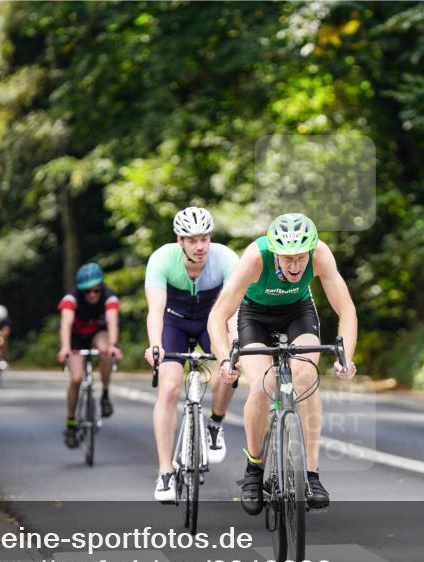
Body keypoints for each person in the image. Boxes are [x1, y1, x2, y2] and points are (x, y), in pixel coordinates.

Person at [208, 213, 357, 515]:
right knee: (264, 386)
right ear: (274, 252)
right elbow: (218, 316)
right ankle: (253, 470)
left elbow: (347, 311)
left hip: (298, 313)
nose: (294, 266)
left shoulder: (320, 255)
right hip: (255, 317)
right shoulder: (255, 257)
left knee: (306, 379)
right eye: (287, 258)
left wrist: (346, 356)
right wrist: (225, 358)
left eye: (301, 258)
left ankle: (312, 475)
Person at [145, 207, 240, 502]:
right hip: (173, 321)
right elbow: (156, 310)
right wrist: (154, 345)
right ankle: (164, 473)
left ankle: (215, 423)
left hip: (212, 320)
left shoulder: (225, 258)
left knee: (229, 368)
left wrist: (235, 341)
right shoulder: (162, 259)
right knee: (170, 386)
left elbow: (235, 308)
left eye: (205, 238)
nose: (200, 246)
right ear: (180, 241)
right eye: (192, 240)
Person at [57, 262, 123, 448]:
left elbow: (112, 323)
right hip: (76, 337)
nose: (92, 295)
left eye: (96, 290)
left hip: (97, 334)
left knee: (105, 349)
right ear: (80, 290)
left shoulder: (109, 297)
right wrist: (64, 348)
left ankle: (105, 394)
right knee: (76, 379)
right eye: (87, 291)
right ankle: (70, 423)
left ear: (101, 286)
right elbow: (66, 324)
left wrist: (113, 346)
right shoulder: (71, 298)